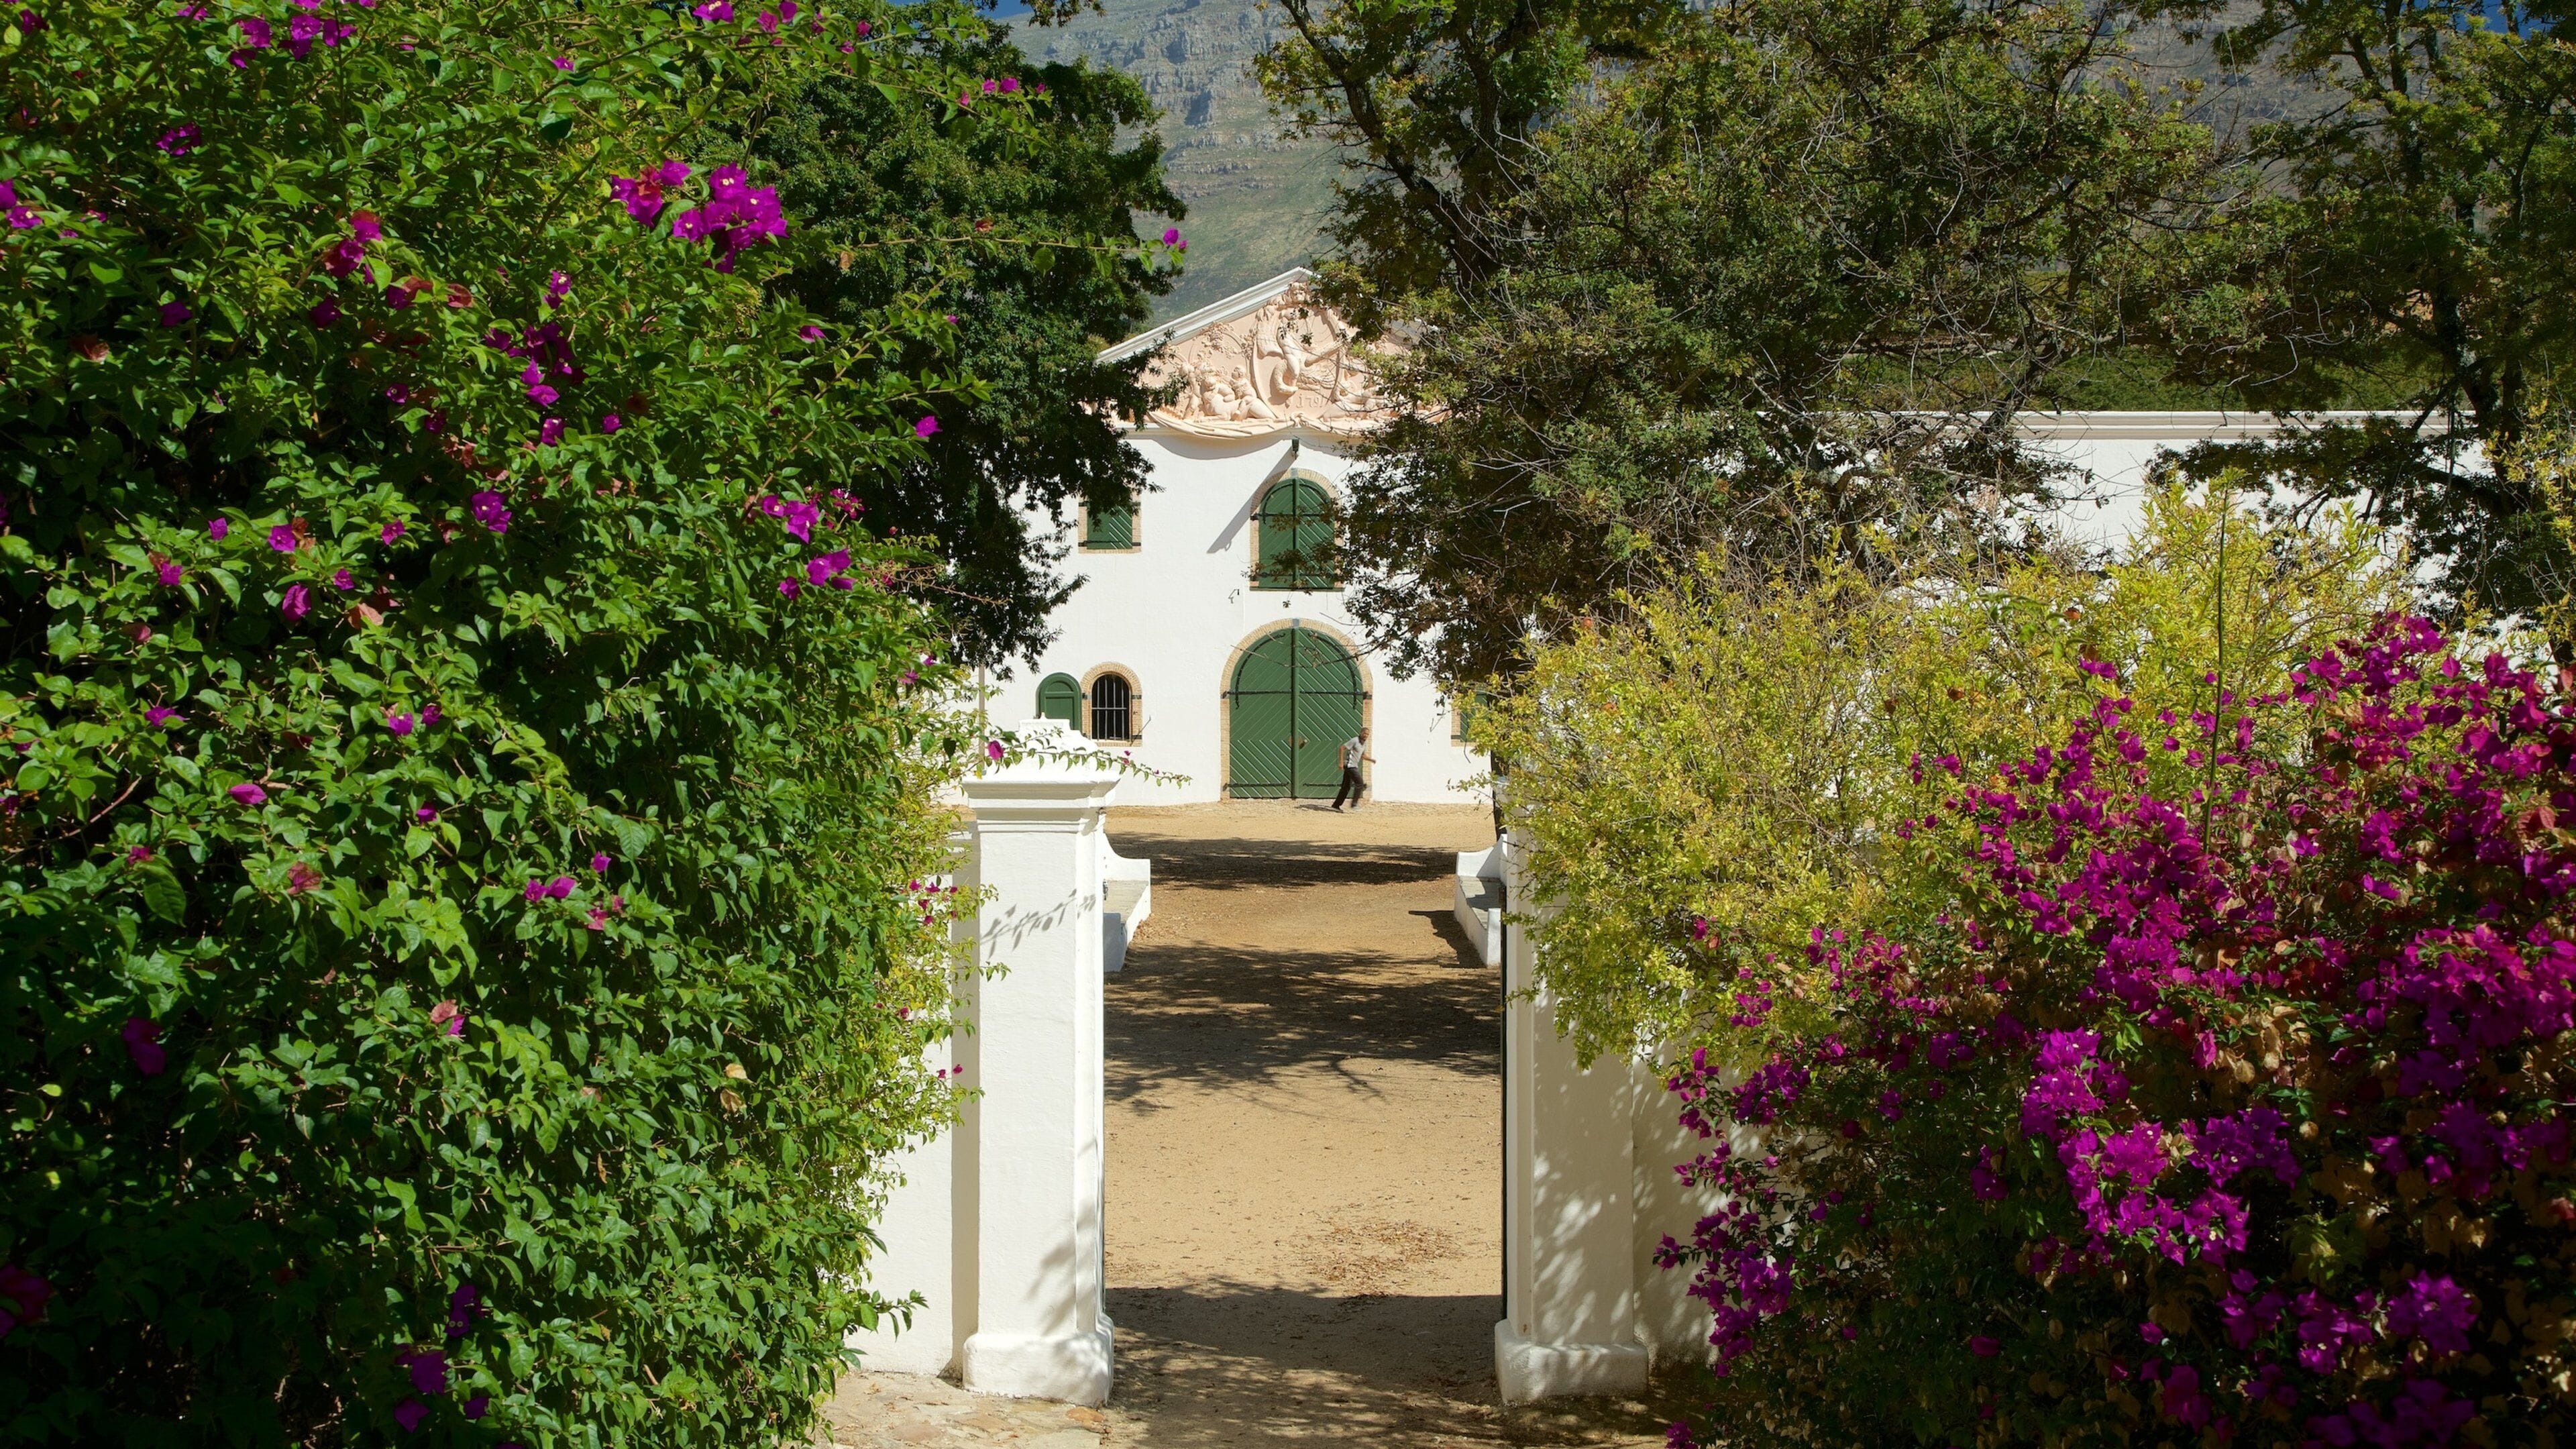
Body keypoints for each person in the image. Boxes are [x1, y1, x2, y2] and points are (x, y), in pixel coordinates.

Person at [1332, 727, 1371, 810]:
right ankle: (1354, 804)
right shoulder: (1355, 740)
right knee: (1360, 783)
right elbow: (1342, 748)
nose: (1366, 735)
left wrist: (1371, 760)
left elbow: (1362, 755)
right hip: (1350, 765)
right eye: (1364, 733)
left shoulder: (1364, 744)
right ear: (1361, 733)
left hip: (1353, 766)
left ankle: (1336, 805)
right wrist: (1341, 762)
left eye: (1367, 734)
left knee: (1346, 787)